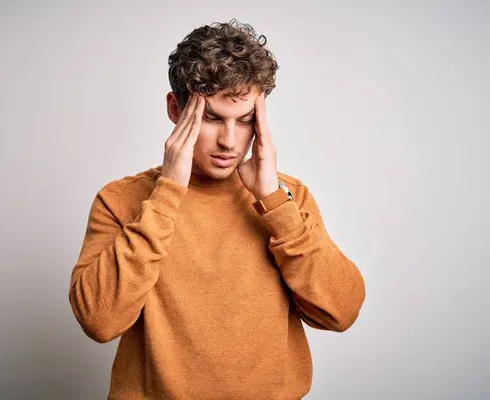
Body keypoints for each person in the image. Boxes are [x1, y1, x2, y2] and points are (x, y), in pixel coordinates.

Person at [68, 18, 365, 400]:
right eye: (211, 118)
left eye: (244, 122)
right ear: (176, 109)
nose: (229, 141)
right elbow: (99, 320)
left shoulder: (287, 198)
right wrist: (168, 193)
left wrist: (276, 204)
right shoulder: (121, 199)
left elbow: (342, 311)